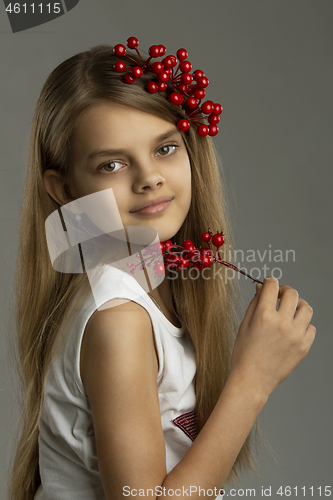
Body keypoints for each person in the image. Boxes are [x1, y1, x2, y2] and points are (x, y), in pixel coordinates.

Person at [7, 41, 315, 500]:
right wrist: (252, 380)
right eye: (111, 163)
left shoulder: (152, 284)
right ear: (65, 190)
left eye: (165, 148)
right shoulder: (119, 322)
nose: (149, 176)